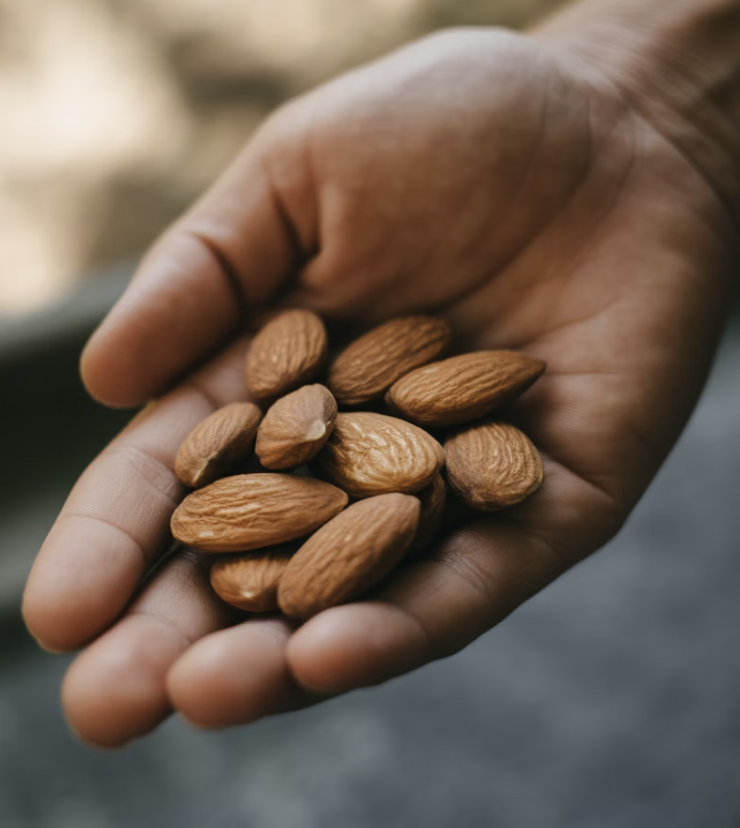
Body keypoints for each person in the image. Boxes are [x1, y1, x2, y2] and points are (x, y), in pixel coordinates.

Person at [21, 0, 740, 747]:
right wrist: (646, 84)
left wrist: (648, 93)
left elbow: (384, 445)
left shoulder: (378, 421)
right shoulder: (329, 429)